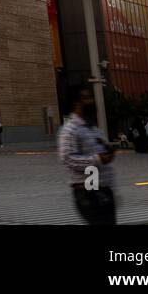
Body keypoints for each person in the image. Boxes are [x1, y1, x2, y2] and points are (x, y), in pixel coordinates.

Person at [58, 85, 116, 225]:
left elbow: (100, 150)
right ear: (76, 103)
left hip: (102, 188)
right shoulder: (70, 129)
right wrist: (98, 159)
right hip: (88, 191)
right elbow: (68, 158)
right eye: (87, 98)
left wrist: (107, 153)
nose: (91, 101)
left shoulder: (92, 127)